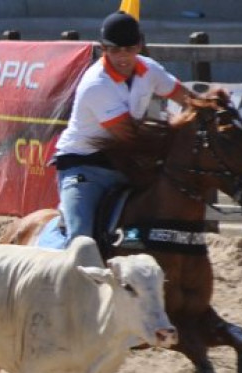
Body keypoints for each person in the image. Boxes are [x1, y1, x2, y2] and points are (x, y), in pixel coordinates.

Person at [51, 11, 195, 246]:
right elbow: (129, 136)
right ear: (103, 48)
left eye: (129, 49)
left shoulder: (149, 69)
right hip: (83, 166)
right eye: (115, 49)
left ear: (139, 46)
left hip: (124, 163)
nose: (123, 57)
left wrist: (208, 110)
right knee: (82, 240)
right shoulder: (96, 84)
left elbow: (187, 99)